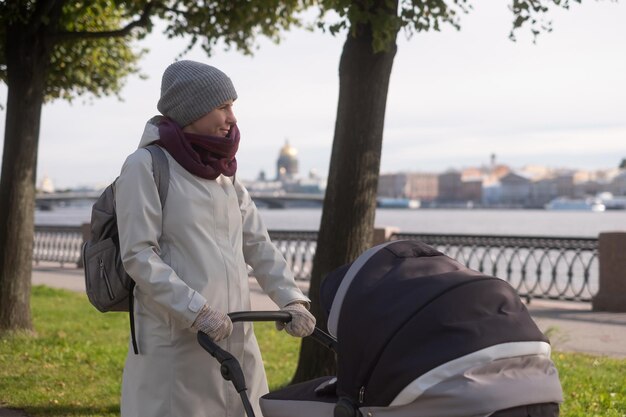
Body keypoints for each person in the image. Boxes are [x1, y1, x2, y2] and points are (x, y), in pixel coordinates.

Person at [115, 60, 316, 417]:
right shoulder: (144, 166)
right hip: (176, 344)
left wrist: (292, 299)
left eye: (232, 106)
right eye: (223, 106)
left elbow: (258, 244)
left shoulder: (225, 177)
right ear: (192, 109)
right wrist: (198, 312)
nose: (233, 117)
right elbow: (139, 256)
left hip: (235, 338)